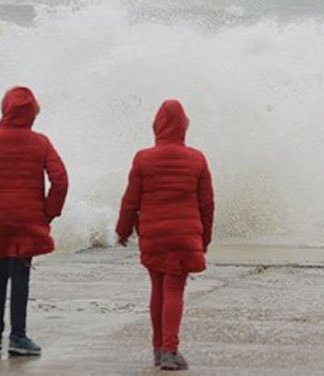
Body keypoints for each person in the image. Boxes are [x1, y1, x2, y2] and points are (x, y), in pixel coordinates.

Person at [0, 87, 68, 356]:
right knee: (20, 274)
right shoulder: (40, 142)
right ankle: (18, 336)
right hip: (28, 219)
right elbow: (60, 180)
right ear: (32, 113)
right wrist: (48, 213)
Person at [116, 99, 214, 371]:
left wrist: (122, 230)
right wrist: (204, 238)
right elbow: (207, 204)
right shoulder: (196, 158)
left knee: (157, 288)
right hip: (184, 236)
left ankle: (159, 349)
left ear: (157, 126)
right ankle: (170, 349)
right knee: (174, 289)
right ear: (184, 126)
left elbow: (130, 201)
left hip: (154, 235)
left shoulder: (143, 158)